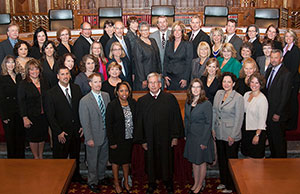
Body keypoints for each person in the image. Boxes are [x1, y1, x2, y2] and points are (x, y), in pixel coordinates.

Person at [135, 72, 184, 194]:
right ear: (147, 84)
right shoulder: (142, 101)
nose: (153, 85)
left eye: (155, 82)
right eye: (150, 82)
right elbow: (139, 122)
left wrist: (174, 136)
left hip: (166, 138)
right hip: (149, 139)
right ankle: (151, 183)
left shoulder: (170, 98)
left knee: (167, 160)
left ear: (160, 84)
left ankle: (168, 182)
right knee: (150, 161)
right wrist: (143, 140)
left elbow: (176, 118)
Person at [45, 66, 84, 183]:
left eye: (67, 74)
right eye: (62, 74)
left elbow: (80, 109)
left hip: (76, 131)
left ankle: (76, 176)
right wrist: (58, 132)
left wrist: (81, 125)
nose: (65, 76)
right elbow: (50, 116)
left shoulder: (76, 89)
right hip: (61, 133)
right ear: (58, 76)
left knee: (75, 156)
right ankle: (59, 179)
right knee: (60, 158)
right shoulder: (50, 93)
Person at [212, 72, 244, 193]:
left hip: (231, 134)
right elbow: (214, 112)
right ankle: (223, 181)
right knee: (222, 159)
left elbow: (239, 118)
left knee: (231, 161)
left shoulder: (238, 97)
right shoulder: (218, 94)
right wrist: (213, 129)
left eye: (229, 82)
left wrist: (234, 135)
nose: (226, 84)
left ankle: (231, 185)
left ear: (233, 84)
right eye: (224, 81)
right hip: (219, 132)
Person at [79, 73, 110, 193]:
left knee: (103, 159)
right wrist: (88, 138)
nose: (98, 84)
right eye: (95, 82)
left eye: (100, 81)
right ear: (90, 84)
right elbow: (85, 122)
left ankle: (101, 177)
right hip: (93, 136)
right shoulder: (84, 101)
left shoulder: (106, 96)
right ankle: (92, 181)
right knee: (92, 161)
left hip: (105, 135)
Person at [184, 79, 214, 194]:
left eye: (198, 87)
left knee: (201, 162)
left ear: (201, 90)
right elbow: (186, 120)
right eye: (193, 87)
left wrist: (204, 141)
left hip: (202, 137)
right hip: (191, 137)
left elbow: (208, 123)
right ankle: (195, 183)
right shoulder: (188, 102)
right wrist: (186, 134)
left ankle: (200, 185)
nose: (195, 89)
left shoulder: (206, 103)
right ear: (190, 89)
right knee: (194, 161)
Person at [106, 81, 136, 194]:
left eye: (126, 90)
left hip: (129, 138)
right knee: (115, 162)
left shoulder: (132, 103)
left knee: (126, 161)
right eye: (121, 90)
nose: (124, 93)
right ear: (117, 92)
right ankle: (116, 183)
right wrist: (111, 141)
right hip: (116, 140)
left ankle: (126, 183)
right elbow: (108, 124)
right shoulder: (112, 105)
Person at [18, 59, 49, 159]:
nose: (34, 71)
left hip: (43, 115)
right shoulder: (23, 84)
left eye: (36, 69)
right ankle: (36, 157)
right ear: (28, 71)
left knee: (42, 137)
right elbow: (21, 101)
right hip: (31, 116)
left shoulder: (44, 82)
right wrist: (24, 117)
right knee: (33, 138)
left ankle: (40, 156)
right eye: (31, 69)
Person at [264, 49, 291, 158]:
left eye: (276, 58)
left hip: (278, 115)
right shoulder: (269, 70)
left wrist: (278, 113)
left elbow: (285, 96)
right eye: (272, 57)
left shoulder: (286, 74)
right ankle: (274, 161)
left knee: (279, 141)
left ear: (281, 59)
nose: (273, 60)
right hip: (269, 112)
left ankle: (281, 165)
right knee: (272, 140)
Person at [0, 55, 25, 158]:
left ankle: (21, 162)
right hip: (8, 112)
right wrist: (4, 116)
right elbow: (0, 98)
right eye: (8, 62)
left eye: (13, 62)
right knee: (11, 140)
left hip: (19, 111)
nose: (11, 64)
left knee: (20, 138)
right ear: (4, 64)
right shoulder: (1, 78)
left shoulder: (18, 76)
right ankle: (12, 163)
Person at [241, 73, 268, 158]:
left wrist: (257, 135)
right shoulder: (246, 94)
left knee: (255, 161)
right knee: (247, 157)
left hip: (256, 132)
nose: (254, 85)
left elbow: (262, 120)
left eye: (257, 83)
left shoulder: (262, 99)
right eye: (252, 82)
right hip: (246, 130)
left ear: (261, 84)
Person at [164, 21, 193, 90]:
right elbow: (165, 60)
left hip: (181, 78)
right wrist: (165, 75)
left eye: (179, 30)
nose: (177, 32)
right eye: (175, 30)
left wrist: (185, 78)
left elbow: (189, 63)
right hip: (169, 77)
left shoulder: (187, 44)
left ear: (182, 31)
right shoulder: (169, 43)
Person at [133, 21, 161, 90]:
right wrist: (143, 79)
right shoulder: (137, 43)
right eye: (143, 30)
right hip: (144, 77)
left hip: (154, 76)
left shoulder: (153, 41)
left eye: (147, 30)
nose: (145, 32)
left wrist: (159, 73)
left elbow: (158, 57)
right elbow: (138, 63)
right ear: (139, 31)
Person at [283, 29, 300, 130]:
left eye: (290, 36)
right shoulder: (285, 48)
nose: (288, 38)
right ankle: (288, 122)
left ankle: (292, 125)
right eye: (286, 36)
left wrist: (287, 80)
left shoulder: (295, 50)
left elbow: (294, 68)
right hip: (286, 79)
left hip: (292, 80)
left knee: (293, 102)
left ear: (294, 38)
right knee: (287, 101)